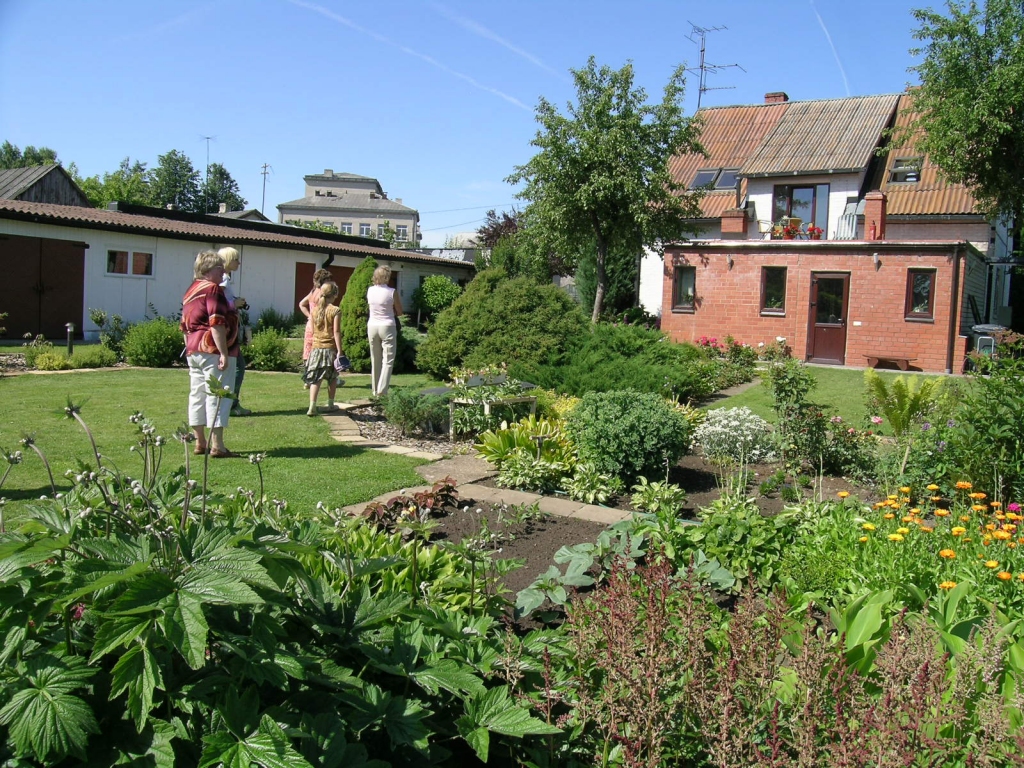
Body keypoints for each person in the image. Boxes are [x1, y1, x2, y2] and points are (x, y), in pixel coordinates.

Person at [180, 250, 240, 457]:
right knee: (218, 393)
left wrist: (189, 349)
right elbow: (216, 321)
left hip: (193, 349)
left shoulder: (190, 290)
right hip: (211, 349)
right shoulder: (212, 289)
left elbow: (184, 325)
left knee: (196, 395)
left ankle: (200, 442)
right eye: (219, 268)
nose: (223, 271)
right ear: (208, 270)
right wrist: (223, 352)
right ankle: (218, 445)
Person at [217, 247, 251, 417]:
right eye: (236, 259)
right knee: (238, 368)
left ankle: (229, 402)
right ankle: (231, 404)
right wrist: (234, 304)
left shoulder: (225, 278)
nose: (239, 262)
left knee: (238, 366)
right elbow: (220, 303)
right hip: (228, 331)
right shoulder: (222, 278)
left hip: (230, 329)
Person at [302, 281, 344, 416]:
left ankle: (312, 406)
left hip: (316, 348)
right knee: (332, 377)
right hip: (329, 348)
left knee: (316, 378)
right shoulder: (335, 310)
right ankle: (331, 404)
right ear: (335, 294)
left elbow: (314, 331)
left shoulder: (314, 310)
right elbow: (336, 332)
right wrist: (340, 351)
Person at [366, 265, 402, 397]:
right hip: (387, 326)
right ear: (387, 277)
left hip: (372, 325)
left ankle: (375, 390)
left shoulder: (370, 290)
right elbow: (400, 311)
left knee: (375, 359)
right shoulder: (392, 292)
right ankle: (382, 391)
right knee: (387, 359)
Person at [299, 268, 335, 380]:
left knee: (308, 352)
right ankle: (329, 377)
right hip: (320, 326)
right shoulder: (322, 294)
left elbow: (301, 304)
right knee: (320, 351)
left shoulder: (313, 291)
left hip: (310, 325)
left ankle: (307, 379)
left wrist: (309, 316)